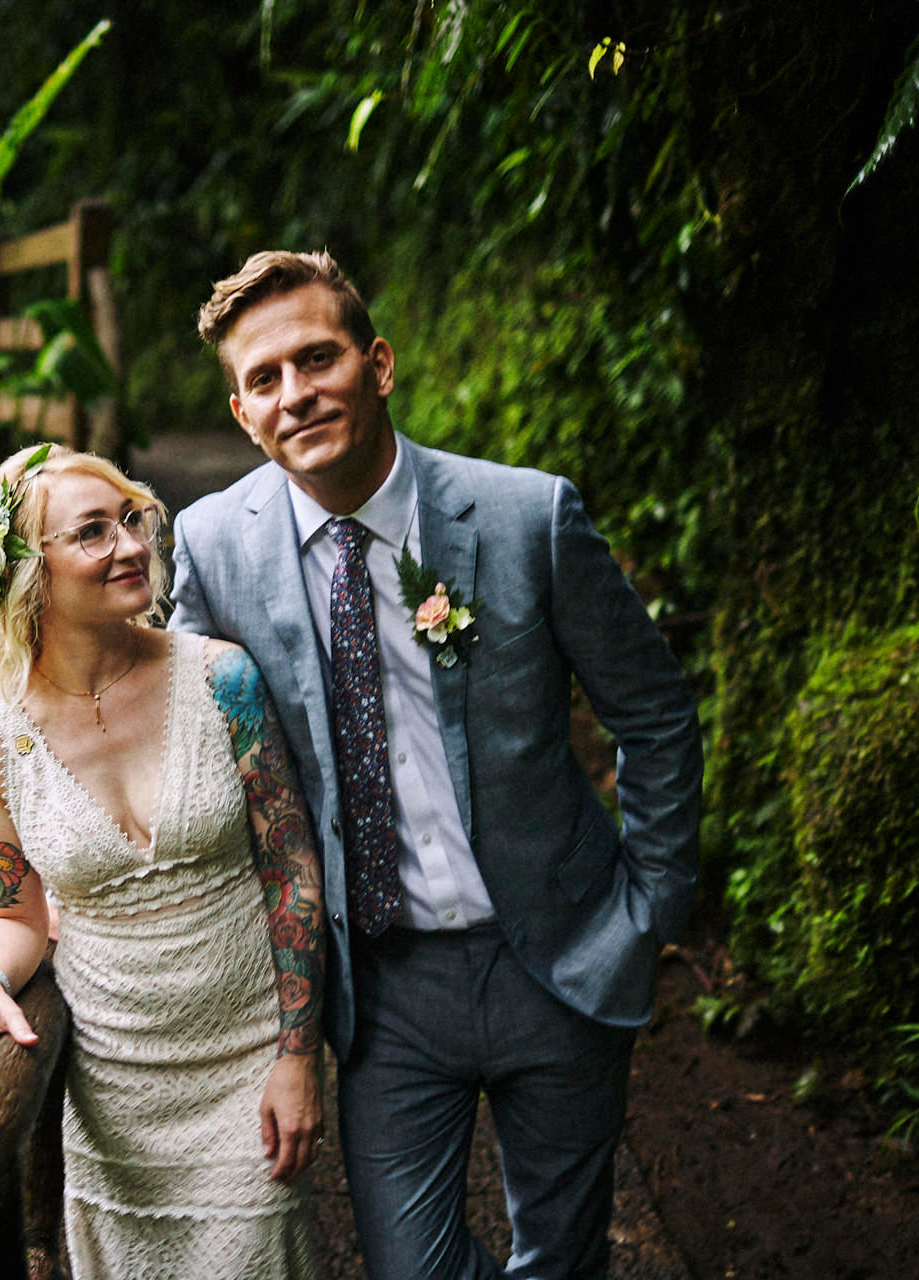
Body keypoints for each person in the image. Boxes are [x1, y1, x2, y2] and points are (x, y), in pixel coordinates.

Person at [169, 250, 702, 1280]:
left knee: (564, 1257)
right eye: (264, 379)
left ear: (377, 364)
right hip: (383, 988)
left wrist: (651, 908)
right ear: (242, 415)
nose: (295, 394)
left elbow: (654, 712)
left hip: (562, 950)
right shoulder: (213, 545)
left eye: (316, 358)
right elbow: (183, 750)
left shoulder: (527, 516)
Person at [0, 444, 327, 1278]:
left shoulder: (222, 680)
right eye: (92, 532)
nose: (129, 545)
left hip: (250, 1069)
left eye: (130, 519)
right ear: (27, 572)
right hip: (114, 1099)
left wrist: (299, 1058)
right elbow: (10, 912)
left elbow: (292, 872)